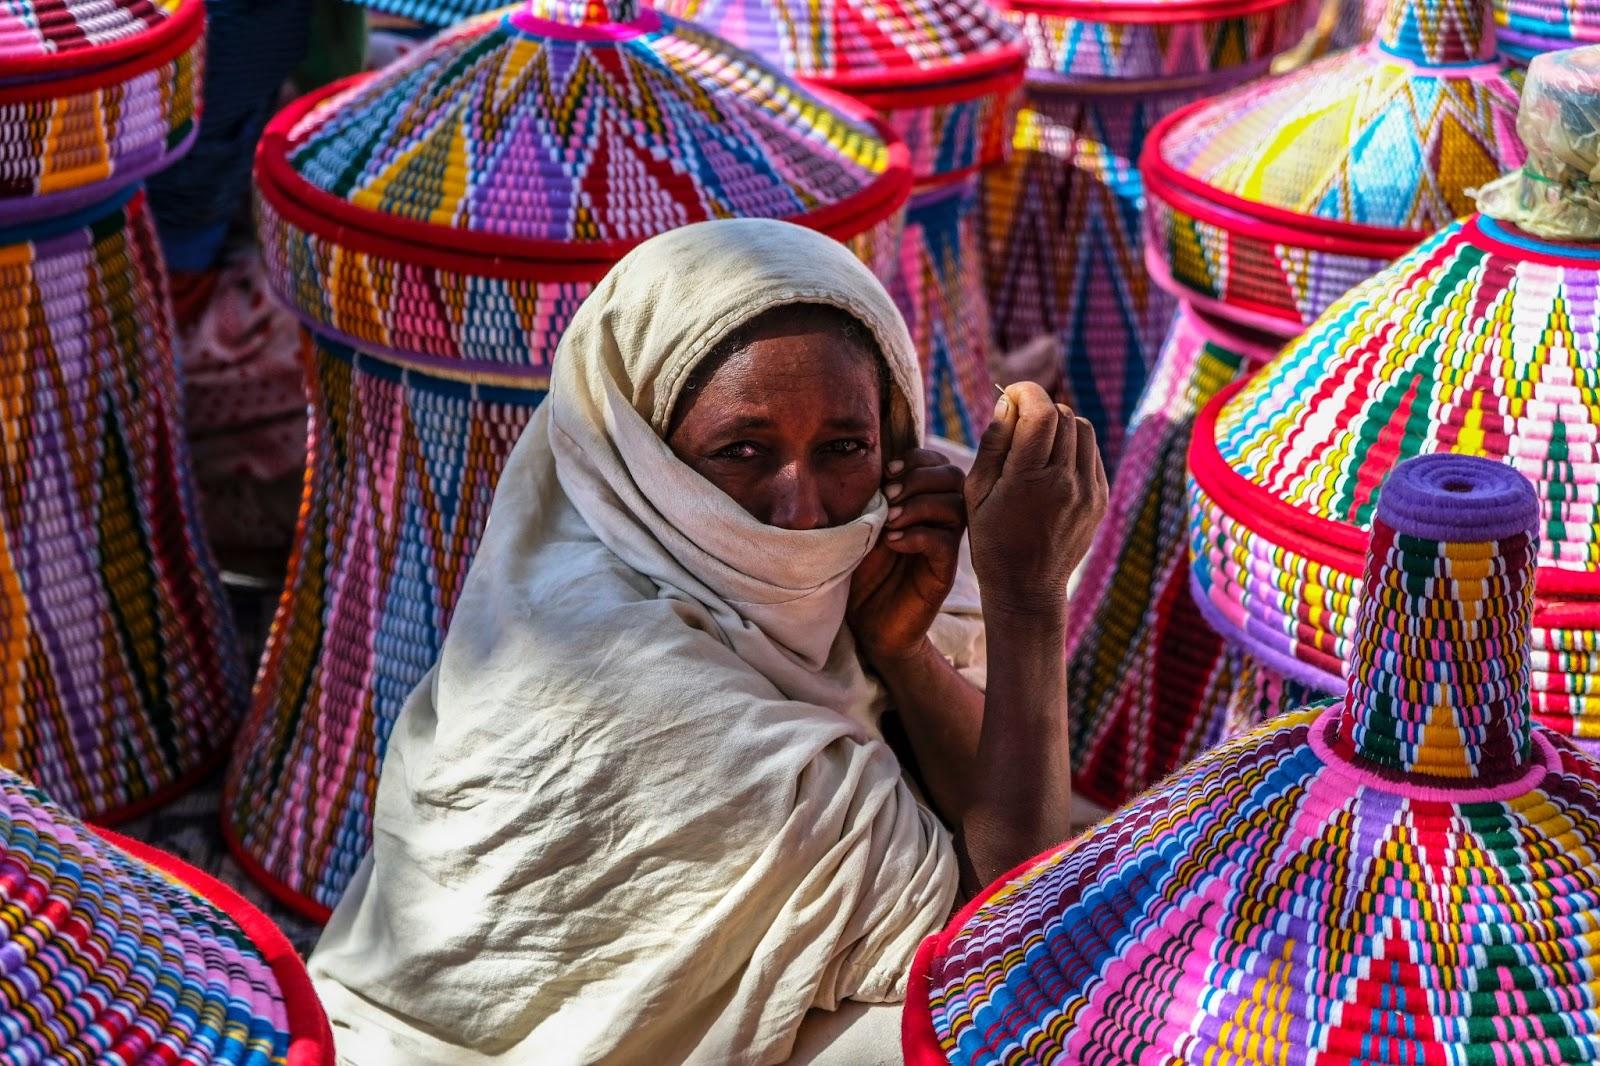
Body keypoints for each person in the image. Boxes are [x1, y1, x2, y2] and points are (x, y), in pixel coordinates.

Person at [307, 218, 1108, 1065]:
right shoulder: (627, 678)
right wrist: (1028, 601)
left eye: (845, 447)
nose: (799, 511)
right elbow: (1016, 946)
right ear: (644, 456)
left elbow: (1010, 843)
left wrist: (902, 656)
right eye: (742, 451)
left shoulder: (872, 567)